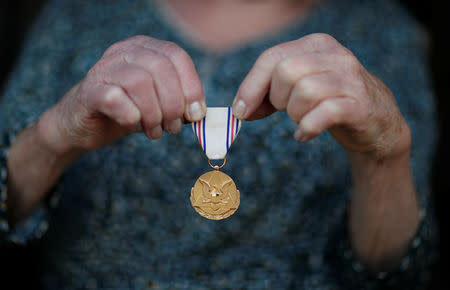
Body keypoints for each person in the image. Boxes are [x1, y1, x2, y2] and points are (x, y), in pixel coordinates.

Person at [0, 0, 438, 288]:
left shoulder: (382, 31)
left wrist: (384, 155)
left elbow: (400, 274)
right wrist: (56, 134)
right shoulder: (79, 13)